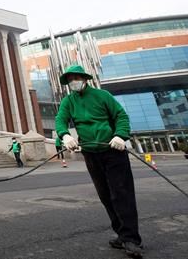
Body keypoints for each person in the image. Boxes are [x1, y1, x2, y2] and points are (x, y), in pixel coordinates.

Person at [55, 65, 144, 258]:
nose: (73, 82)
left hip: (113, 150)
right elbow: (60, 120)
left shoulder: (103, 96)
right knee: (105, 195)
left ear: (85, 78)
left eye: (76, 78)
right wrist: (64, 135)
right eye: (70, 79)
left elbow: (121, 116)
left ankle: (131, 239)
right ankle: (121, 234)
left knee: (121, 194)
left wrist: (121, 135)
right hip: (90, 152)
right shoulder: (68, 101)